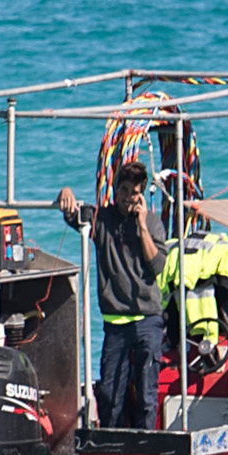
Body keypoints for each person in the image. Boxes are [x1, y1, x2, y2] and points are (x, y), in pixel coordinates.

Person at [56, 159, 162, 429]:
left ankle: (144, 446)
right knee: (110, 395)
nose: (129, 198)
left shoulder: (152, 222)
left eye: (135, 193)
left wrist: (142, 226)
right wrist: (65, 192)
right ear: (116, 190)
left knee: (147, 396)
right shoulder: (102, 219)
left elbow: (157, 265)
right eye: (125, 191)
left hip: (147, 319)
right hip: (115, 323)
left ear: (142, 195)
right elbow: (73, 214)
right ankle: (111, 448)